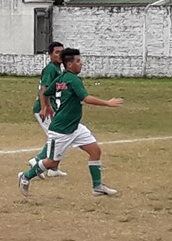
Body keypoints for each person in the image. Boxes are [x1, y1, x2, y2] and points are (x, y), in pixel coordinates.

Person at [17, 47, 123, 197]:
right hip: (61, 130)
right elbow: (85, 98)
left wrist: (47, 106)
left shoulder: (61, 78)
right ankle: (25, 176)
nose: (81, 63)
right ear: (69, 64)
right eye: (78, 61)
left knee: (95, 151)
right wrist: (107, 103)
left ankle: (97, 186)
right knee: (52, 163)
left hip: (75, 127)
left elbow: (46, 92)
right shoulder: (73, 80)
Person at [25, 41, 69, 179]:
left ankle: (53, 168)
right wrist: (44, 107)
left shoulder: (58, 69)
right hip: (45, 109)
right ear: (50, 54)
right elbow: (44, 88)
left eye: (62, 52)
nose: (60, 55)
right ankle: (37, 161)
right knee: (56, 137)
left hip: (52, 108)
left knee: (58, 137)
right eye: (57, 52)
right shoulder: (50, 69)